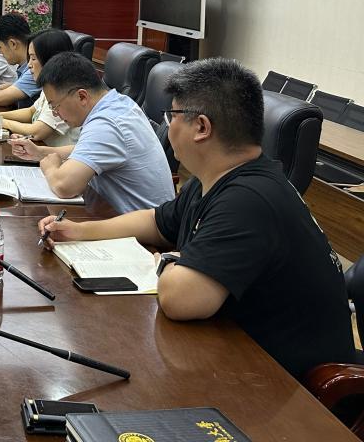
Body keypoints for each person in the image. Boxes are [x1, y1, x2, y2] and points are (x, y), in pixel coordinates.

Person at [36, 58, 354, 381]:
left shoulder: (248, 200)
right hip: (236, 351)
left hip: (291, 387)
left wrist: (168, 262)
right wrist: (80, 231)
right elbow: (156, 222)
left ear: (201, 127)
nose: (168, 126)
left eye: (171, 116)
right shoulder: (212, 180)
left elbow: (179, 299)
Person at [12, 51, 174, 212]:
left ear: (82, 97)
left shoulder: (108, 123)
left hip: (137, 225)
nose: (55, 114)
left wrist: (50, 168)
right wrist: (40, 152)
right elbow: (86, 149)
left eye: (55, 106)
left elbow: (64, 186)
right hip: (115, 212)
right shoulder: (119, 103)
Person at [0, 28, 80, 147]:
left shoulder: (64, 90)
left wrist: (0, 122)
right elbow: (31, 112)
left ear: (50, 59)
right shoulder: (50, 84)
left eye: (33, 58)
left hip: (57, 155)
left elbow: (37, 132)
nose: (29, 65)